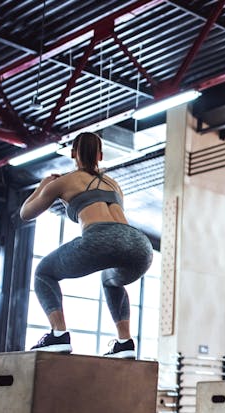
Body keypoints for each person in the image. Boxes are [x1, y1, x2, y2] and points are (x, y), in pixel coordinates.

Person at [20, 132, 153, 359]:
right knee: (110, 280)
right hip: (140, 245)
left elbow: (26, 213)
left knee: (43, 272)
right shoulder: (114, 184)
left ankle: (58, 335)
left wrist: (41, 187)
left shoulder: (65, 180)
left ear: (73, 153)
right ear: (100, 155)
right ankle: (124, 343)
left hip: (100, 237)